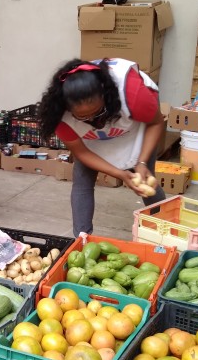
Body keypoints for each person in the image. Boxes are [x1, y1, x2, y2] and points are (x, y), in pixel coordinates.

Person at [38, 58, 166, 236]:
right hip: (94, 138)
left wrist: (142, 162)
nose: (93, 121)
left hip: (133, 125)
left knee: (146, 180)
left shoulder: (132, 94)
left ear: (106, 96)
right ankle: (82, 239)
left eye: (98, 112)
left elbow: (156, 123)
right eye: (83, 117)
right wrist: (120, 174)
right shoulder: (58, 116)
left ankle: (164, 231)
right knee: (82, 178)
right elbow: (81, 152)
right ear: (68, 109)